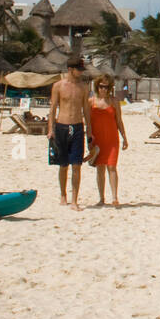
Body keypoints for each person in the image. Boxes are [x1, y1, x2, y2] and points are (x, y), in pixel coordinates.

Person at [47, 58, 91, 211]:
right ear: (70, 69)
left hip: (77, 127)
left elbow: (86, 109)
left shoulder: (84, 87)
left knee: (77, 165)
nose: (80, 72)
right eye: (78, 69)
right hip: (61, 127)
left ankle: (74, 200)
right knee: (63, 165)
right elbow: (53, 108)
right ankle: (63, 195)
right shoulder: (58, 86)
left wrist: (89, 129)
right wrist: (50, 129)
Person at [88, 75, 128, 207]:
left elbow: (119, 121)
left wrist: (124, 138)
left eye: (106, 87)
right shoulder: (91, 101)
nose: (103, 89)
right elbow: (87, 122)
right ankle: (101, 198)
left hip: (112, 140)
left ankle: (115, 197)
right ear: (97, 87)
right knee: (100, 169)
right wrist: (88, 139)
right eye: (101, 87)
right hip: (97, 140)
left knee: (112, 167)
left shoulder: (114, 101)